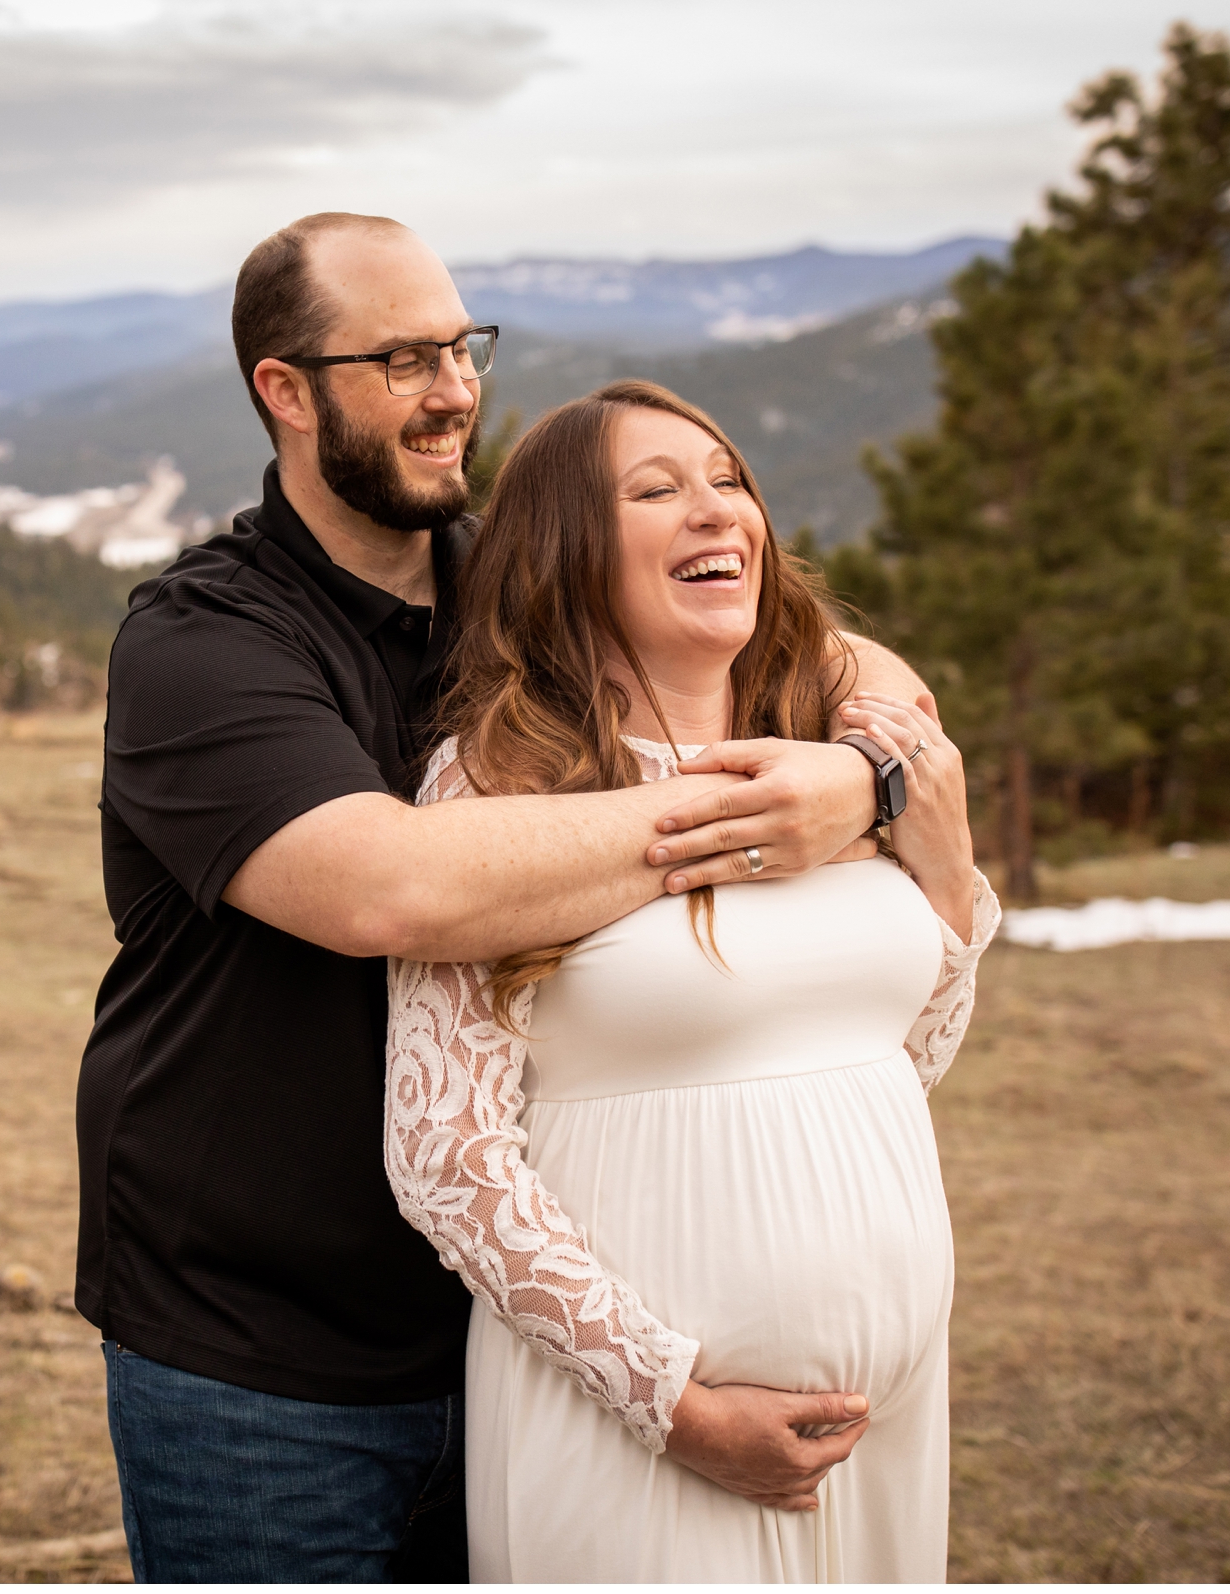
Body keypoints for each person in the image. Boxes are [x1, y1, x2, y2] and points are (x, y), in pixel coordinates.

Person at [78, 212, 923, 1583]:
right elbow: (391, 892)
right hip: (263, 1354)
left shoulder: (520, 585)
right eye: (402, 357)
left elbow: (839, 651)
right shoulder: (200, 643)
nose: (454, 389)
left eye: (461, 347)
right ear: (283, 393)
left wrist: (869, 765)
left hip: (523, 1333)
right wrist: (767, 809)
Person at [384, 380, 1000, 1582]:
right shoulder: (499, 786)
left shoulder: (840, 767)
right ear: (568, 557)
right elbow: (443, 1155)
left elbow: (898, 1058)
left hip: (885, 1419)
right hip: (642, 1433)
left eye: (731, 482)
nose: (718, 513)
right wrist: (673, 1401)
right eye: (658, 492)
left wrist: (948, 862)